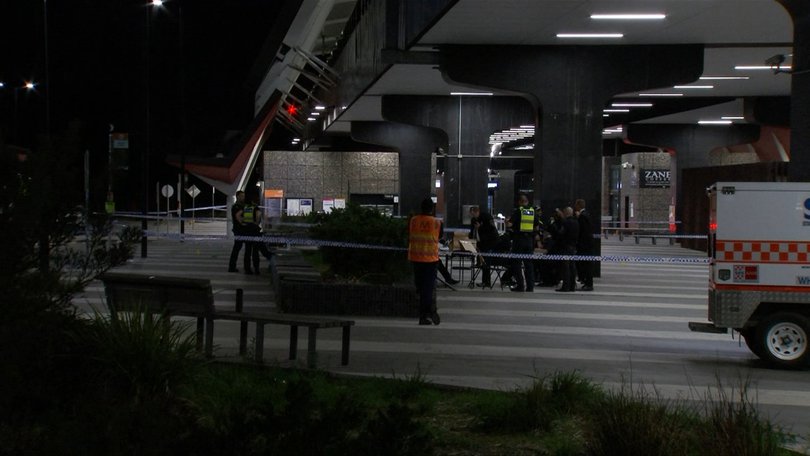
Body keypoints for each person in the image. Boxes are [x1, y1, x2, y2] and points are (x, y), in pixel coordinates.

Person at [408, 197, 442, 325]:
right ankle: (428, 312)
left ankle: (426, 313)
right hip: (431, 260)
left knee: (420, 287)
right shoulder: (436, 223)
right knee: (428, 288)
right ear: (432, 209)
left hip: (416, 258)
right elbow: (440, 236)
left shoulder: (413, 221)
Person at [508, 193, 536, 292]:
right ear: (527, 201)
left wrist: (507, 223)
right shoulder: (533, 211)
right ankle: (530, 286)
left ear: (520, 202)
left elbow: (510, 224)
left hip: (519, 240)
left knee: (517, 263)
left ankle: (520, 285)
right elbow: (536, 226)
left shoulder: (518, 211)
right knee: (529, 264)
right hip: (529, 241)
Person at [470, 206, 499, 287]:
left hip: (490, 242)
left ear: (477, 212)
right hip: (481, 242)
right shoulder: (474, 220)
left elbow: (492, 228)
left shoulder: (486, 216)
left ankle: (487, 282)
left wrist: (481, 227)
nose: (473, 216)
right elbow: (472, 231)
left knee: (487, 262)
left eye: (474, 213)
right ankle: (484, 281)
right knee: (483, 262)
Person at [556, 207, 579, 292]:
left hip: (566, 246)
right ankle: (572, 286)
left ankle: (566, 286)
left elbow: (561, 233)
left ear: (566, 213)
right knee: (572, 267)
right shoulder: (576, 222)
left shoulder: (565, 222)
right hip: (573, 246)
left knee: (566, 267)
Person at [239, 194, 262, 275]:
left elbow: (238, 216)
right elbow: (258, 215)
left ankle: (247, 269)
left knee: (247, 251)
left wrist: (242, 223)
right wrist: (256, 223)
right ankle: (256, 269)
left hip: (247, 231)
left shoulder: (246, 207)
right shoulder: (256, 208)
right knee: (255, 251)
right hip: (255, 231)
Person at [574, 199, 594, 291]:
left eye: (576, 205)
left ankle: (588, 284)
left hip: (584, 245)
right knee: (586, 264)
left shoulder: (582, 216)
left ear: (579, 205)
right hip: (588, 244)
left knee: (586, 265)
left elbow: (582, 231)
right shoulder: (587, 214)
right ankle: (586, 282)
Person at [227, 190, 247, 272]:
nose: (243, 197)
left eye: (244, 196)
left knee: (239, 248)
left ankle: (234, 266)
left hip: (242, 230)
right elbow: (238, 218)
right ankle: (232, 267)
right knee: (237, 248)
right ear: (238, 196)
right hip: (239, 230)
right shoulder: (236, 206)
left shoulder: (242, 205)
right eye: (242, 196)